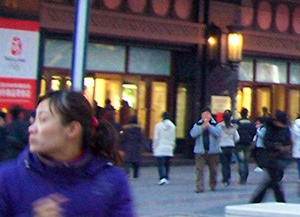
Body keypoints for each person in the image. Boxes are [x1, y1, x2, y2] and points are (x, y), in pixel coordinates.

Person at [0, 89, 134, 216]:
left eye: (43, 120)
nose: (31, 129)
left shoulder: (111, 181)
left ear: (72, 129)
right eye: (33, 120)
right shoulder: (7, 179)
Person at [251, 110, 292, 203]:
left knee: (272, 181)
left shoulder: (285, 129)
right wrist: (276, 146)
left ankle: (257, 200)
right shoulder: (270, 128)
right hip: (270, 157)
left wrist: (285, 148)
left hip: (280, 157)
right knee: (274, 181)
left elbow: (288, 141)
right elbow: (266, 142)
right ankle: (280, 200)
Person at [190, 107, 222, 193]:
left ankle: (212, 185)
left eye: (207, 114)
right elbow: (193, 134)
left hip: (213, 151)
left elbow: (218, 134)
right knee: (199, 169)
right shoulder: (197, 124)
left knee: (213, 170)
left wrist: (209, 127)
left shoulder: (216, 124)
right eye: (204, 114)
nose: (205, 116)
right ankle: (199, 187)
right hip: (200, 151)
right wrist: (202, 128)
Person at [152, 111, 176, 185]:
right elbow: (173, 138)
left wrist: (154, 146)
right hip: (169, 146)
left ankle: (162, 177)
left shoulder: (158, 126)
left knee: (160, 163)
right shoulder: (173, 126)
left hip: (160, 146)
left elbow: (156, 137)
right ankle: (166, 176)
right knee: (167, 163)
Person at [119, 115, 146, 179]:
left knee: (127, 162)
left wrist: (120, 147)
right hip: (137, 148)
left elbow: (122, 139)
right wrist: (146, 147)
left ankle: (127, 174)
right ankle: (135, 175)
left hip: (128, 148)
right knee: (136, 163)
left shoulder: (125, 129)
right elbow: (142, 139)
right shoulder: (139, 130)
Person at [235, 108, 256, 184]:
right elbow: (254, 132)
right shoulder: (251, 122)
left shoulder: (237, 122)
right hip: (248, 143)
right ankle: (246, 176)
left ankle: (241, 177)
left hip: (239, 143)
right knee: (246, 160)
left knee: (240, 161)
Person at [219, 109, 239, 186]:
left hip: (222, 146)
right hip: (230, 146)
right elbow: (237, 137)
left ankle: (225, 178)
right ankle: (228, 178)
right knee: (228, 163)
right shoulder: (233, 127)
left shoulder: (220, 126)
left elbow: (217, 135)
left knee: (224, 164)